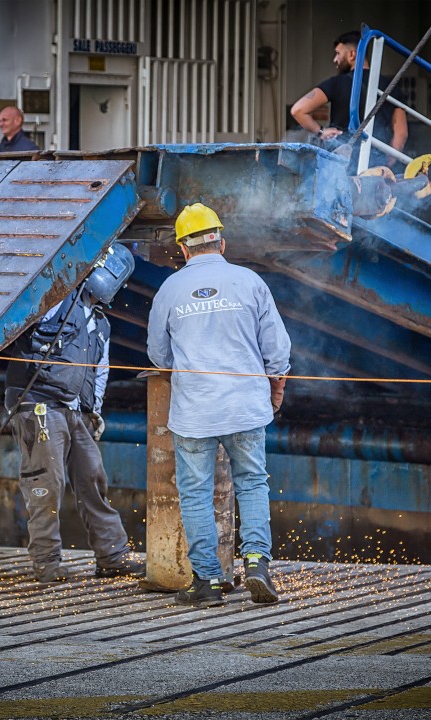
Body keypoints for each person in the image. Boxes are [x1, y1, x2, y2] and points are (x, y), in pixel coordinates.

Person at [146, 203, 292, 608]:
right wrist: (276, 385)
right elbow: (277, 351)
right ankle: (258, 564)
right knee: (252, 483)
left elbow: (158, 356)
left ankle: (208, 582)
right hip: (246, 407)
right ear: (221, 242)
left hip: (194, 412)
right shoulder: (249, 282)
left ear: (183, 249)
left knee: (195, 494)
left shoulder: (170, 289)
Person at [4, 244, 143, 584]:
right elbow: (30, 308)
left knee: (92, 477)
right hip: (38, 403)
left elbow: (101, 371)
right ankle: (46, 561)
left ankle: (112, 555)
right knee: (46, 483)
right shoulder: (56, 302)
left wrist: (94, 412)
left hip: (73, 410)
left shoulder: (102, 324)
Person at [290, 30, 407, 171]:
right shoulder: (390, 87)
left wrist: (321, 131)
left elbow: (298, 110)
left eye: (338, 53)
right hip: (377, 164)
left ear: (352, 54)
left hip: (342, 163)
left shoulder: (336, 83)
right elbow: (401, 133)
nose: (335, 59)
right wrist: (389, 159)